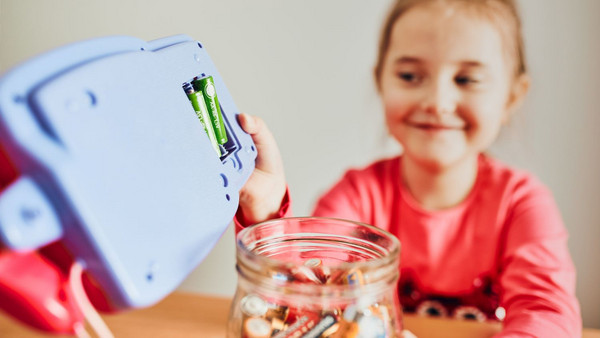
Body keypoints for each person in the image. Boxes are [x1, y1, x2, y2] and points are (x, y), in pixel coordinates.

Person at [234, 0, 582, 336]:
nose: (437, 102)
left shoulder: (521, 203)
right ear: (381, 81)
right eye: (410, 75)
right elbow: (307, 295)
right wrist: (265, 214)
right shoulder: (356, 197)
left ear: (512, 96)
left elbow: (548, 314)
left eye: (466, 80)